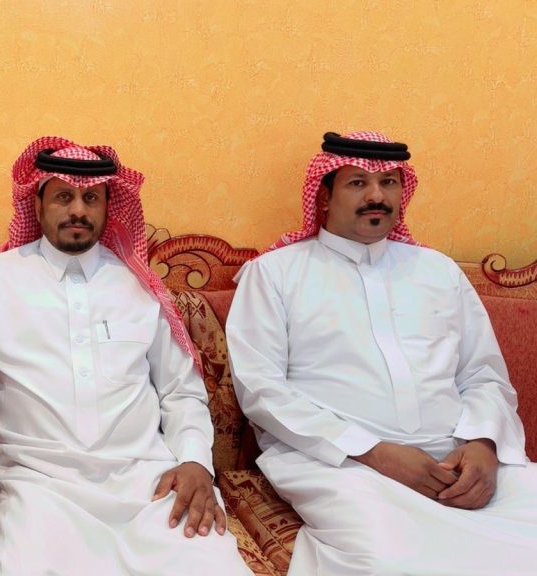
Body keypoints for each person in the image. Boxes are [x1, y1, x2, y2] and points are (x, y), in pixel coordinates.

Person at [0, 136, 252, 575]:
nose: (78, 210)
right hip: (34, 488)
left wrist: (195, 460)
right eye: (63, 197)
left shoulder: (139, 285)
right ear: (37, 206)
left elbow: (180, 391)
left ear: (109, 207)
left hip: (147, 487)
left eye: (91, 198)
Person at [227, 131, 537, 575]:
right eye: (358, 183)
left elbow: (483, 375)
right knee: (389, 561)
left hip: (457, 459)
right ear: (324, 196)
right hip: (340, 466)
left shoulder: (438, 271)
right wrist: (373, 451)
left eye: (389, 182)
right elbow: (262, 390)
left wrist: (484, 445)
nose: (376, 196)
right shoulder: (275, 273)